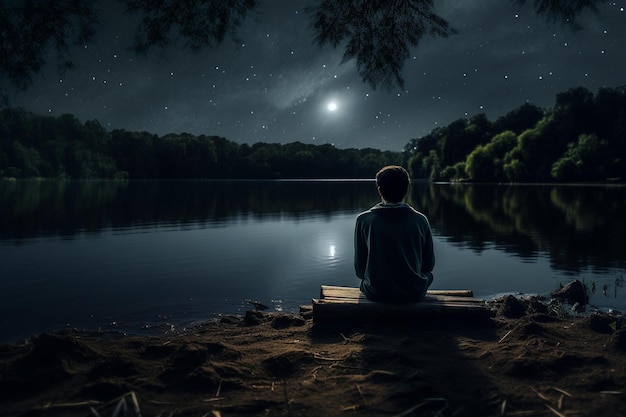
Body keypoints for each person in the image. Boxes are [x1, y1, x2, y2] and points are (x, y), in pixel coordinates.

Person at [354, 165, 435, 302]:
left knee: (365, 283)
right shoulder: (420, 220)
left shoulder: (364, 220)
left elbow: (360, 270)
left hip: (376, 293)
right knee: (429, 275)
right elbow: (428, 266)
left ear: (379, 191)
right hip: (413, 294)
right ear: (406, 190)